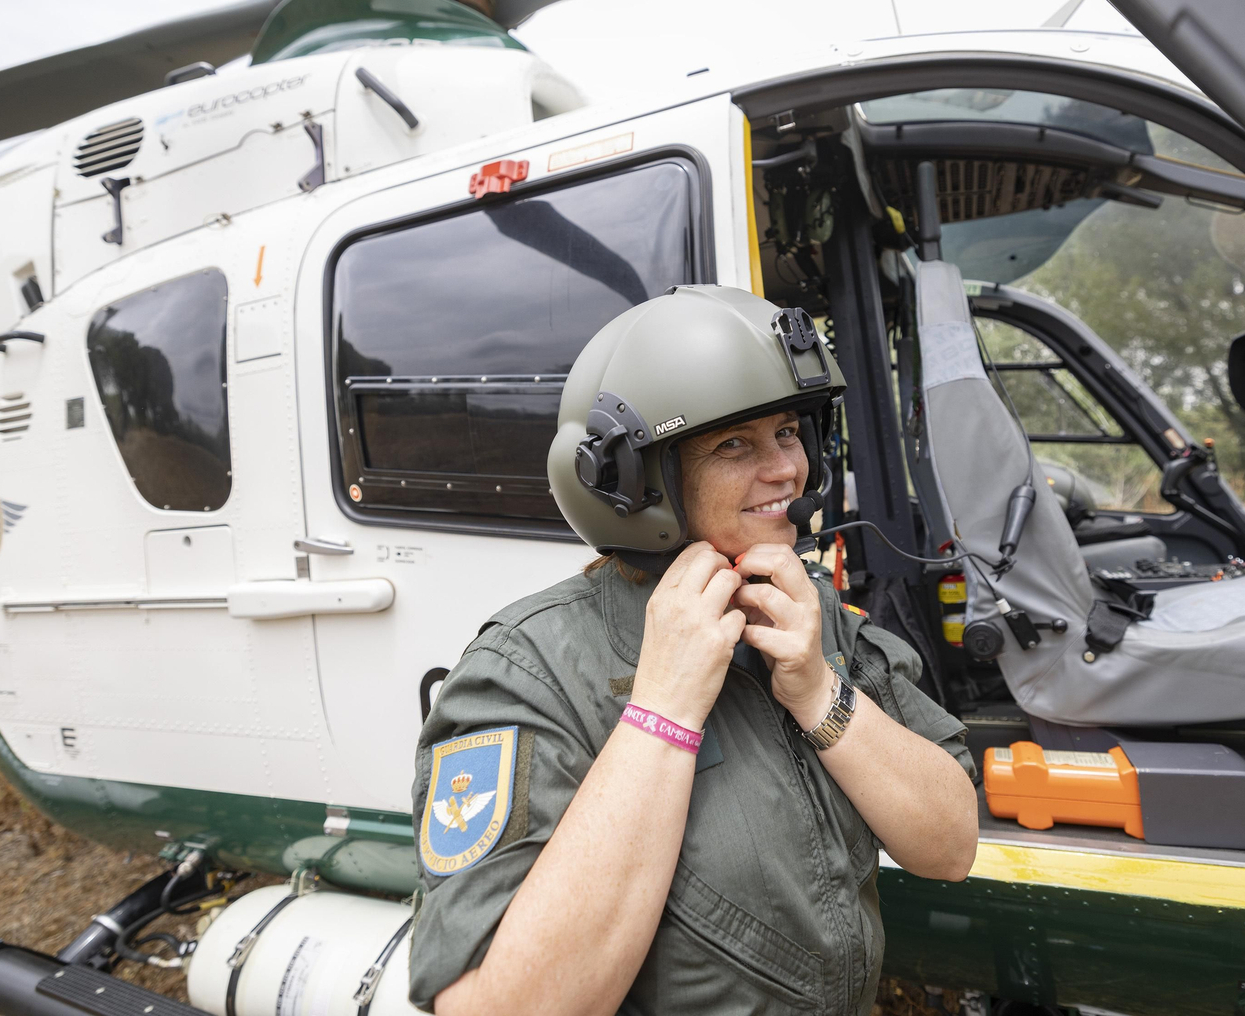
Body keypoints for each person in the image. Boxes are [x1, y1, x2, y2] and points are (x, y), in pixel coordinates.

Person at [409, 285, 979, 1016]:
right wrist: (664, 707)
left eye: (786, 431)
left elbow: (950, 845)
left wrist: (817, 692)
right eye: (735, 444)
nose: (786, 470)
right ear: (630, 479)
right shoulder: (528, 668)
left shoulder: (809, 616)